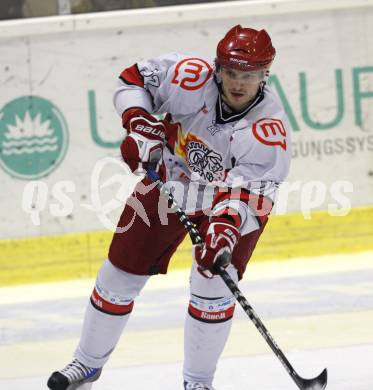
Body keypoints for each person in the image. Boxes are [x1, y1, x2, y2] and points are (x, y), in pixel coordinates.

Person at [47, 25, 291, 390]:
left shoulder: (267, 130)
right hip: (171, 181)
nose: (239, 83)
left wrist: (224, 231)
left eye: (250, 75)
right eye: (232, 73)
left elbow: (254, 194)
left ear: (264, 76)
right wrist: (140, 122)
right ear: (218, 69)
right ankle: (86, 365)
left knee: (212, 288)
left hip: (231, 201)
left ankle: (198, 383)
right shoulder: (189, 77)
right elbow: (132, 80)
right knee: (119, 274)